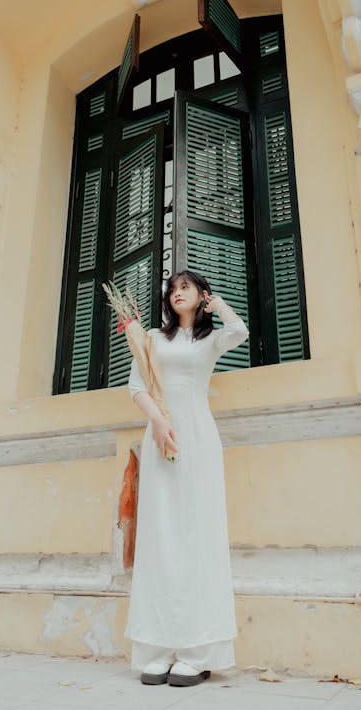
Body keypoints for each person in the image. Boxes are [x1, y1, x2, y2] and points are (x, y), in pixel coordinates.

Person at [125, 269, 249, 687]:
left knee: (197, 534)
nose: (177, 293)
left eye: (186, 288)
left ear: (200, 296)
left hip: (196, 436)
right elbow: (136, 384)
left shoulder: (209, 340)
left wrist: (219, 305)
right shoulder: (154, 340)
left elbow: (239, 330)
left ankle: (197, 652)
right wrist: (158, 423)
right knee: (160, 536)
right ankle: (157, 648)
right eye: (173, 289)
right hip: (161, 435)